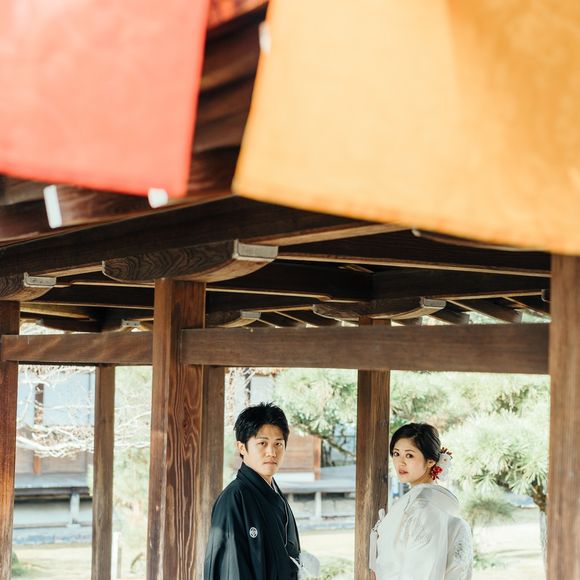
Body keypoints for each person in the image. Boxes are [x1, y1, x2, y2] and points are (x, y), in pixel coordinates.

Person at [204, 402, 301, 579]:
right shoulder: (234, 499)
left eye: (278, 444)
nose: (271, 452)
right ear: (242, 447)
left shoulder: (275, 496)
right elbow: (231, 570)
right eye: (262, 443)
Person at [369, 423, 473, 580]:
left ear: (430, 461)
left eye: (409, 455)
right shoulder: (421, 504)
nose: (400, 462)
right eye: (396, 454)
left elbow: (421, 572)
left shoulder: (424, 509)